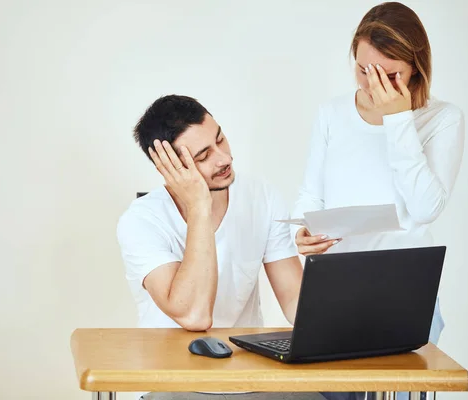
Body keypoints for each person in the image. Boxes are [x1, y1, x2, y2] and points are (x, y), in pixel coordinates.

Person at [291, 2, 465, 400]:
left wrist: (398, 120)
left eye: (390, 75)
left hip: (405, 292)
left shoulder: (442, 119)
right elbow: (310, 194)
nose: (373, 85)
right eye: (363, 70)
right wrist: (302, 231)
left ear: (416, 68)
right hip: (335, 290)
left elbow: (425, 208)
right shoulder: (332, 113)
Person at [116, 94, 323, 400]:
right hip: (171, 383)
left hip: (249, 379)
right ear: (169, 167)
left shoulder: (260, 195)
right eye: (203, 156)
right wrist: (199, 205)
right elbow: (195, 316)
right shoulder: (141, 221)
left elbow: (296, 304)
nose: (224, 158)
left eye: (221, 139)